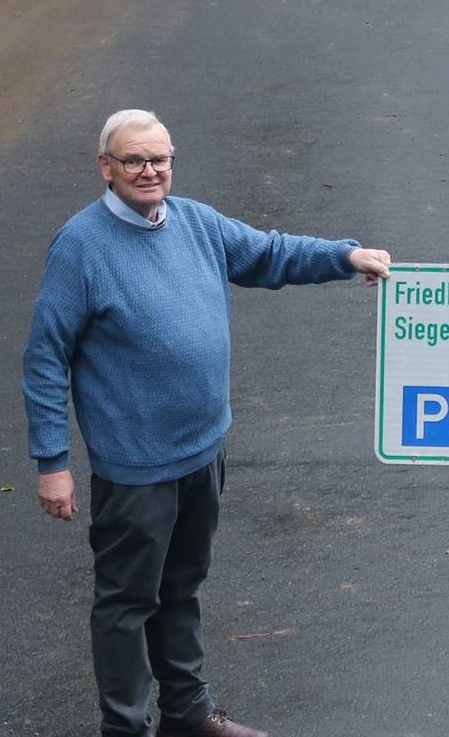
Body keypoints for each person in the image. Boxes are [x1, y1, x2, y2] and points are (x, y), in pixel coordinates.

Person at [22, 109, 392, 737]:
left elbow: (270, 253)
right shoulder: (80, 246)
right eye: (134, 160)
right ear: (105, 168)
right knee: (127, 603)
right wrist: (51, 462)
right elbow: (45, 357)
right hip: (135, 466)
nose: (149, 170)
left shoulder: (195, 222)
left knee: (182, 588)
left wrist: (346, 256)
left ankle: (188, 714)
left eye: (160, 159)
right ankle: (126, 728)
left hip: (202, 451)